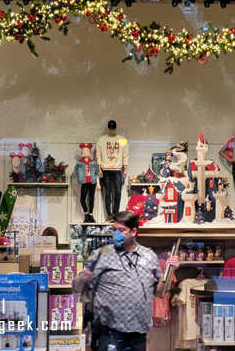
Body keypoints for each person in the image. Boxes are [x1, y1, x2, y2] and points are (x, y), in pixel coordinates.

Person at [73, 211, 179, 351]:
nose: (116, 234)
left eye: (121, 230)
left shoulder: (149, 256)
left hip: (139, 332)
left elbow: (158, 292)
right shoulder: (101, 254)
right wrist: (82, 278)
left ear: (134, 231)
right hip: (109, 332)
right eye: (114, 230)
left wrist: (171, 271)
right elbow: (77, 288)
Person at [97, 120, 129, 219]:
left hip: (117, 169)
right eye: (110, 129)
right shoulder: (102, 140)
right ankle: (109, 214)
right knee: (108, 192)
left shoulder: (122, 140)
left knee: (118, 191)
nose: (112, 131)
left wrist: (125, 169)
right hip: (106, 168)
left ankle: (116, 213)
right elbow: (99, 154)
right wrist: (99, 168)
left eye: (113, 129)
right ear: (108, 128)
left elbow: (125, 154)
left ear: (115, 128)